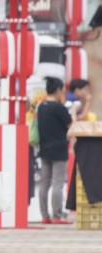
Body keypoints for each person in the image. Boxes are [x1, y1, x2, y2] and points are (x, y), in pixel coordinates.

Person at [38, 77, 72, 224]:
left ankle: (45, 215)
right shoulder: (59, 107)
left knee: (44, 183)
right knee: (57, 183)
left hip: (44, 148)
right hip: (58, 149)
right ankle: (57, 215)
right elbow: (70, 125)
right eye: (63, 90)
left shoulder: (41, 106)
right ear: (58, 90)